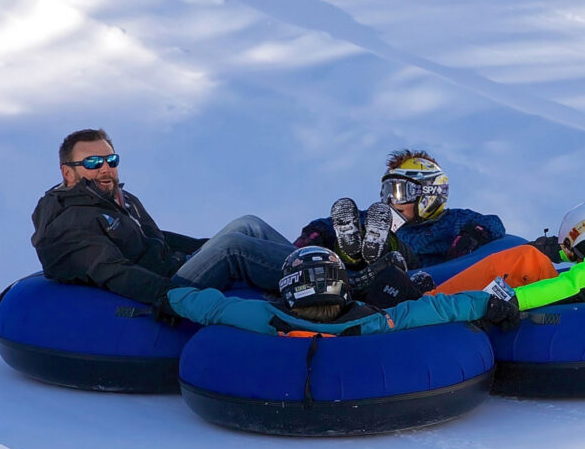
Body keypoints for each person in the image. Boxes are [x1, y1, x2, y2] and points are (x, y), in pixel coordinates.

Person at [31, 128, 295, 309]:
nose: (105, 169)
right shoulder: (72, 219)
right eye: (92, 163)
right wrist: (168, 296)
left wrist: (206, 246)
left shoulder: (122, 199)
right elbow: (112, 271)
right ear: (68, 173)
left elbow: (157, 240)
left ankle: (317, 260)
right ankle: (320, 280)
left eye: (111, 160)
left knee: (247, 225)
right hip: (167, 286)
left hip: (173, 266)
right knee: (234, 247)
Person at [362, 198, 585, 314]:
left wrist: (516, 300)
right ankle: (421, 289)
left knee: (522, 260)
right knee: (527, 255)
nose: (569, 252)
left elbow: (570, 286)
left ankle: (422, 301)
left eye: (572, 245)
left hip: (561, 307)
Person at [162, 246, 521, 336]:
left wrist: (172, 299)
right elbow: (440, 310)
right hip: (362, 322)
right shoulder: (379, 322)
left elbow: (212, 307)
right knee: (411, 294)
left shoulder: (262, 317)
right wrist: (487, 303)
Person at [293, 150, 506, 269]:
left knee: (389, 246)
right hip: (355, 278)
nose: (391, 201)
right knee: (258, 228)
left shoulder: (452, 221)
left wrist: (473, 235)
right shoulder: (379, 218)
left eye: (398, 192)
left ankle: (374, 249)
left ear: (429, 194)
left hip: (412, 277)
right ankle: (348, 252)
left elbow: (493, 224)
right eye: (386, 191)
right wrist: (317, 232)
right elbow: (343, 219)